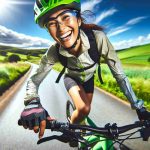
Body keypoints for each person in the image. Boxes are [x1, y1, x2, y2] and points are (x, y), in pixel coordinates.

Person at [19, 0, 150, 139]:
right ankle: (71, 131)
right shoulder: (53, 51)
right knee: (84, 109)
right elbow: (35, 79)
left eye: (66, 17)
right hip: (71, 78)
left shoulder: (98, 39)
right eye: (51, 23)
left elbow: (119, 75)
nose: (61, 27)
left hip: (89, 79)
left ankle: (80, 125)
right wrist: (32, 101)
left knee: (85, 112)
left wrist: (139, 107)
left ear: (79, 20)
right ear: (48, 31)